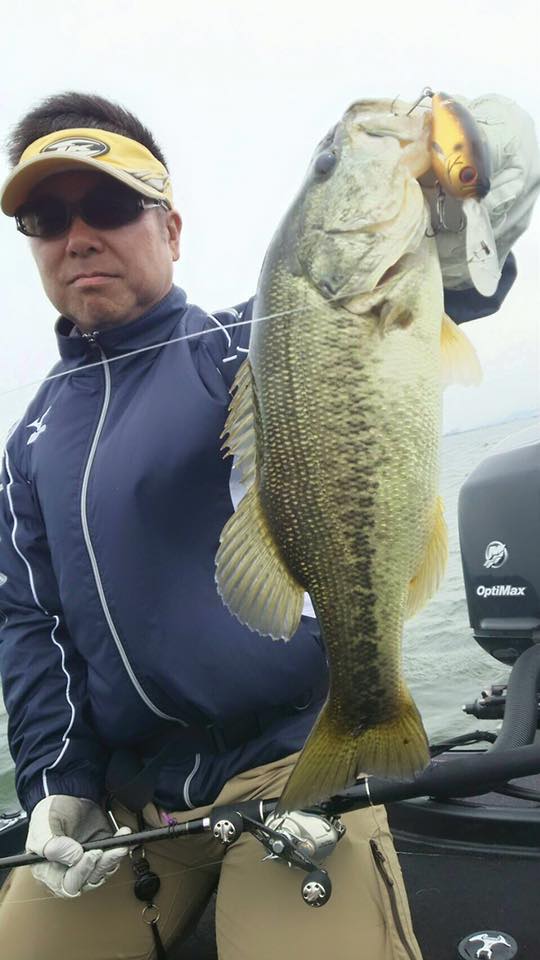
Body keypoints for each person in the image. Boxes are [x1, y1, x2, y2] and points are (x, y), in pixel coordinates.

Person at [0, 91, 537, 960]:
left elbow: (396, 307)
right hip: (128, 800)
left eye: (107, 204)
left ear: (171, 228)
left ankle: (360, 726)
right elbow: (31, 623)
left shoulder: (246, 342)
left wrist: (472, 215)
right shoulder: (28, 442)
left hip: (292, 764)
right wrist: (56, 780)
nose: (78, 235)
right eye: (46, 218)